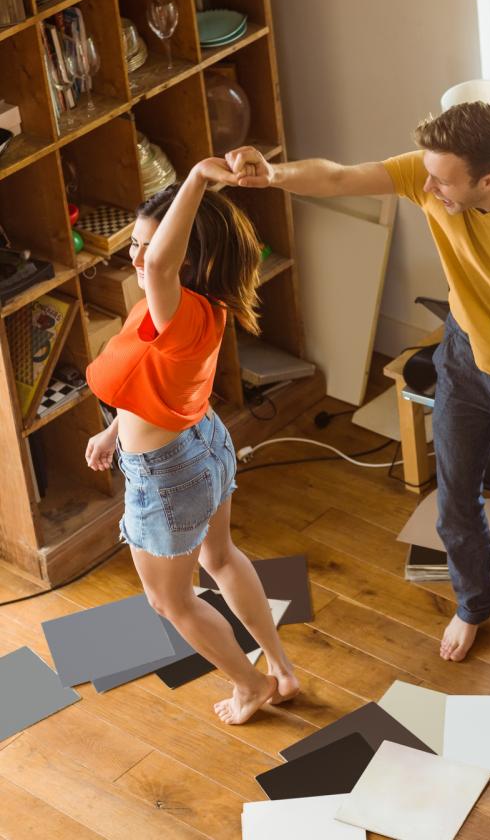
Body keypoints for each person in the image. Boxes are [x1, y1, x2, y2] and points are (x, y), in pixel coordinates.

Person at [202, 102, 490, 684]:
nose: (429, 184)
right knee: (453, 500)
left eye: (443, 179)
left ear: (488, 180)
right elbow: (338, 177)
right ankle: (474, 603)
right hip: (465, 363)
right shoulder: (428, 175)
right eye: (429, 173)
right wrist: (272, 173)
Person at [85, 161, 299, 724]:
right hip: (202, 441)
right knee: (221, 557)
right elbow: (148, 378)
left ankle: (250, 686)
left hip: (166, 473)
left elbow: (159, 266)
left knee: (170, 601)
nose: (137, 258)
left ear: (187, 257)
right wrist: (113, 429)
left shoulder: (176, 308)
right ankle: (280, 668)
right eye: (132, 243)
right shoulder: (199, 306)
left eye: (150, 248)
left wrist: (199, 179)